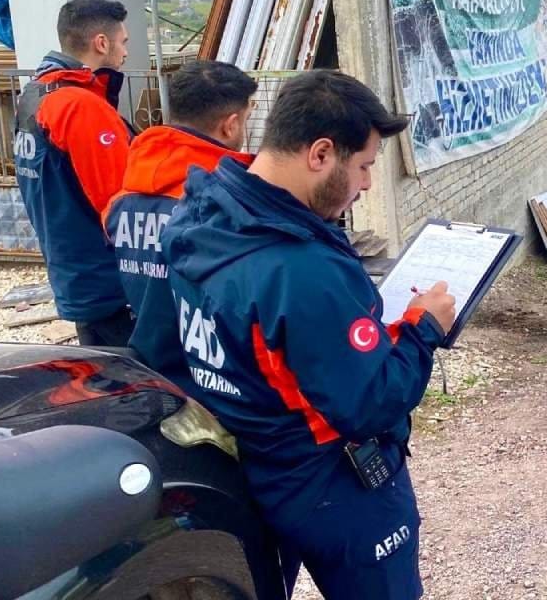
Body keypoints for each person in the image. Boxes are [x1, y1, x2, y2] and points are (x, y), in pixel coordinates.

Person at [161, 70, 454, 599]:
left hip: (258, 467)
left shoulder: (202, 217)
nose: (367, 184)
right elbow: (369, 404)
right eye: (364, 166)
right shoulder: (301, 269)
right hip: (334, 483)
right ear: (320, 153)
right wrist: (422, 327)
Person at [103, 60, 257, 387]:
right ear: (230, 125)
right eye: (245, 120)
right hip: (211, 375)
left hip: (150, 362)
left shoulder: (122, 199)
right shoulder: (224, 202)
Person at [13, 0, 135, 346]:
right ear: (102, 43)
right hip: (108, 278)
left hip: (72, 269)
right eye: (123, 42)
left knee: (99, 363)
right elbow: (119, 202)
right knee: (131, 371)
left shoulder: (35, 96)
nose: (126, 52)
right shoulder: (80, 107)